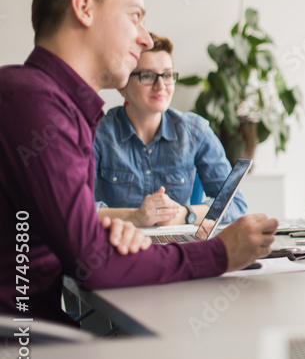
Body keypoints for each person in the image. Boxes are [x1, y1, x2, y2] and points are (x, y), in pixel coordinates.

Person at [0, 0, 276, 325]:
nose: (144, 37)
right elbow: (93, 267)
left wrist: (102, 231)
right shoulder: (36, 104)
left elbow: (60, 237)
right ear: (84, 8)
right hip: (22, 344)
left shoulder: (54, 105)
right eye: (135, 17)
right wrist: (220, 253)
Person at [93, 33, 248, 227]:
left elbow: (235, 203)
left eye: (167, 75)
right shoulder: (97, 134)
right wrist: (136, 217)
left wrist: (185, 214)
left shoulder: (195, 131)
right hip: (118, 249)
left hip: (177, 249)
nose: (161, 86)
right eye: (147, 76)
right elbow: (78, 211)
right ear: (123, 85)